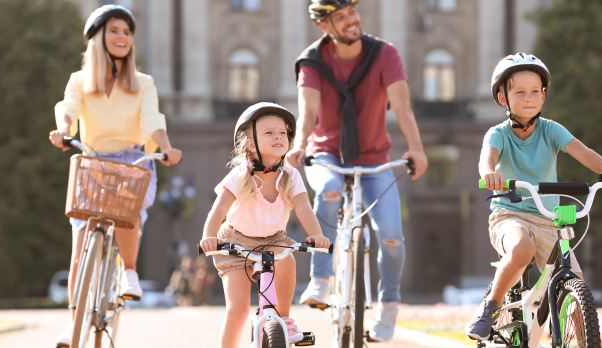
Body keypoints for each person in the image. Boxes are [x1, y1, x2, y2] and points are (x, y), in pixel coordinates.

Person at [464, 53, 602, 340]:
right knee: (522, 250)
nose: (529, 98)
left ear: (543, 96)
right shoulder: (498, 134)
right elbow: (487, 160)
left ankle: (583, 341)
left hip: (547, 219)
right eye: (519, 92)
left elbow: (585, 153)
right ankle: (490, 306)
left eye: (535, 92)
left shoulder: (551, 130)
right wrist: (490, 173)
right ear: (503, 98)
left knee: (578, 287)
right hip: (510, 213)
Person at [286, 0, 428, 342]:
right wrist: (300, 144)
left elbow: (403, 106)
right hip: (326, 153)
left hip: (375, 158)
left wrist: (417, 148)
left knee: (392, 236)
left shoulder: (385, 54)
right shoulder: (312, 61)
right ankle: (320, 278)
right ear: (325, 26)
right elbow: (307, 111)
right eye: (340, 17)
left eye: (352, 13)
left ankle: (389, 306)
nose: (351, 21)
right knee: (330, 189)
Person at [48, 5, 182, 346]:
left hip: (132, 161)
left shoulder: (142, 83)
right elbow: (68, 109)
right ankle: (73, 323)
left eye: (126, 32)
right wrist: (62, 130)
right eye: (114, 31)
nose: (122, 37)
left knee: (128, 209)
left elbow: (153, 120)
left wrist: (166, 147)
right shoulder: (80, 81)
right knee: (80, 245)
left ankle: (130, 273)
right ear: (97, 37)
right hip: (93, 161)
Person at [199, 103, 331, 347]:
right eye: (269, 132)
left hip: (273, 240)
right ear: (252, 145)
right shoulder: (241, 175)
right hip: (235, 242)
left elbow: (304, 208)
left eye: (282, 132)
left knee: (287, 261)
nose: (278, 136)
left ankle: (284, 318)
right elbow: (218, 209)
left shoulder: (291, 176)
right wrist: (209, 237)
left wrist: (317, 236)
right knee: (237, 310)